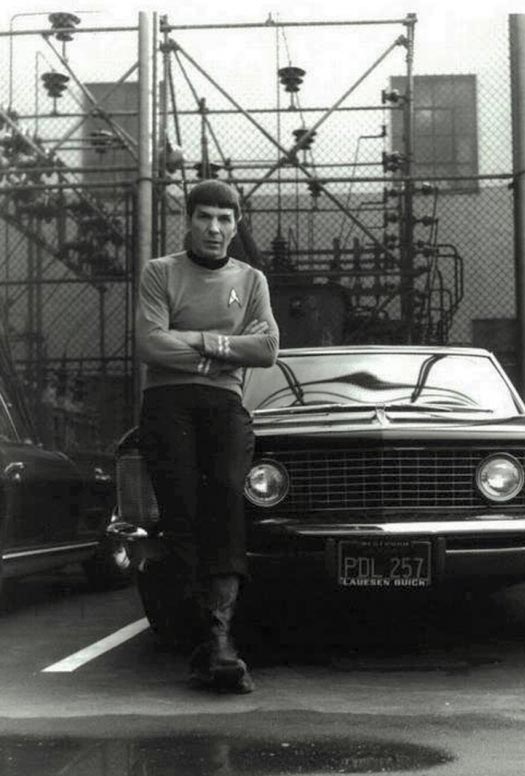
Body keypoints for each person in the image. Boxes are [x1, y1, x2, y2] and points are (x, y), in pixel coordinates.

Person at [135, 180, 279, 693]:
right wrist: (222, 349)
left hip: (224, 404)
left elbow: (266, 348)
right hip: (168, 402)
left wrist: (194, 341)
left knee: (224, 496)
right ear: (189, 220)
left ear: (236, 224)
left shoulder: (252, 279)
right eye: (205, 218)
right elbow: (151, 343)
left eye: (225, 218)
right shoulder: (160, 272)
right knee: (182, 513)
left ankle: (217, 640)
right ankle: (213, 644)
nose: (215, 228)